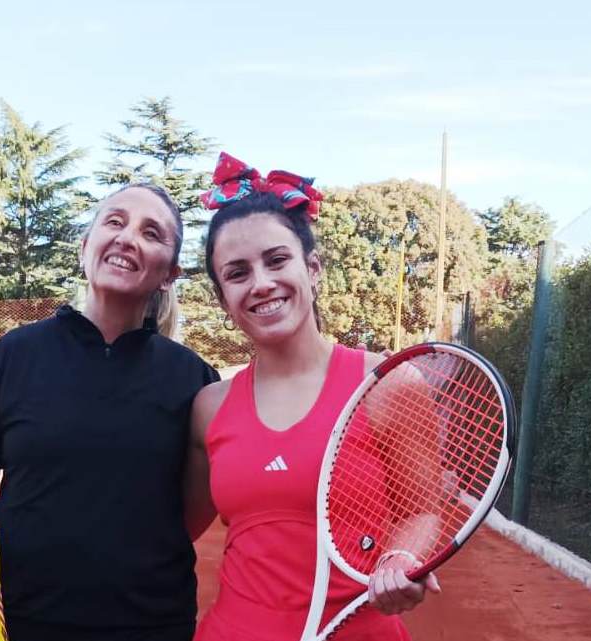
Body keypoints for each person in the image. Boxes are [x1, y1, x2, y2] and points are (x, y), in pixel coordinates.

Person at [0, 183, 220, 641]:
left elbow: (191, 513)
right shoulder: (14, 354)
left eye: (151, 233)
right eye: (115, 222)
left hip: (147, 626)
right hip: (7, 620)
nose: (128, 238)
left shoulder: (195, 380)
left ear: (170, 274)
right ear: (86, 248)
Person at [183, 153, 440, 641]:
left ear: (313, 269)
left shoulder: (387, 382)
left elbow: (422, 509)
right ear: (222, 298)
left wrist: (404, 557)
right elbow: (176, 527)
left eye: (276, 260)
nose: (261, 283)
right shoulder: (208, 407)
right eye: (236, 273)